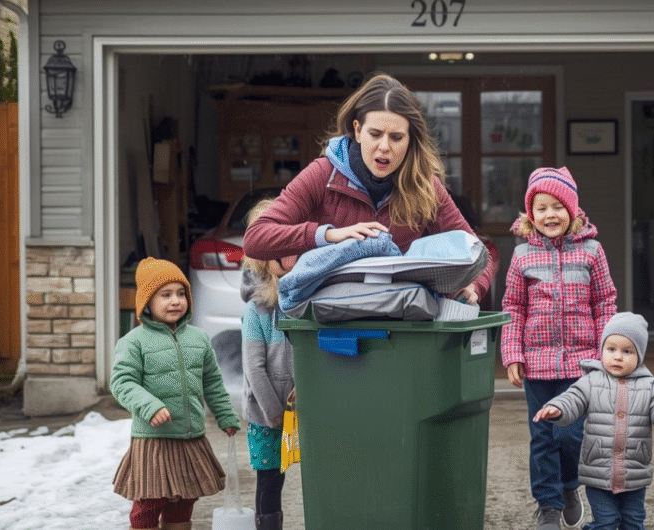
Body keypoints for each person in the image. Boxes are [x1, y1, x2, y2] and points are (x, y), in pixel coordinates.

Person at [242, 72, 495, 302]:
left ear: (410, 140)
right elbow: (255, 239)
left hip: (399, 326)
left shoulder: (425, 186)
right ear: (358, 130)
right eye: (375, 134)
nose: (385, 146)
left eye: (396, 137)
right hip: (330, 326)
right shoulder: (322, 174)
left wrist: (474, 287)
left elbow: (479, 253)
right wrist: (328, 235)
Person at [501, 166, 618, 530]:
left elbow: (605, 302)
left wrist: (606, 352)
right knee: (542, 438)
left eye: (557, 207)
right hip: (536, 364)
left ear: (572, 210)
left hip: (581, 365)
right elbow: (512, 306)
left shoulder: (592, 252)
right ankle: (549, 506)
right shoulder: (522, 256)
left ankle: (570, 486)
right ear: (530, 215)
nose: (550, 215)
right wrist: (512, 354)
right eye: (541, 208)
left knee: (570, 433)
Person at [111, 257, 240, 530]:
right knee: (150, 501)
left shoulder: (198, 338)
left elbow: (212, 381)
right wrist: (150, 406)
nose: (175, 301)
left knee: (184, 501)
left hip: (190, 436)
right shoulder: (134, 342)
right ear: (147, 300)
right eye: (166, 295)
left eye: (181, 294)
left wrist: (226, 415)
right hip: (153, 440)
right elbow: (122, 382)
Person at [534, 312, 654, 530]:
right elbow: (572, 399)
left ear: (639, 356)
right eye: (611, 349)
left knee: (633, 523)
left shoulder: (650, 385)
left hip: (634, 473)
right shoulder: (591, 381)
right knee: (607, 522)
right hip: (598, 472)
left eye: (627, 351)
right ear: (601, 349)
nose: (618, 356)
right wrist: (557, 408)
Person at [239, 199, 297, 530]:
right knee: (270, 482)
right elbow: (254, 369)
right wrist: (275, 414)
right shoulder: (257, 311)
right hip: (267, 415)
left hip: (303, 408)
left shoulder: (305, 300)